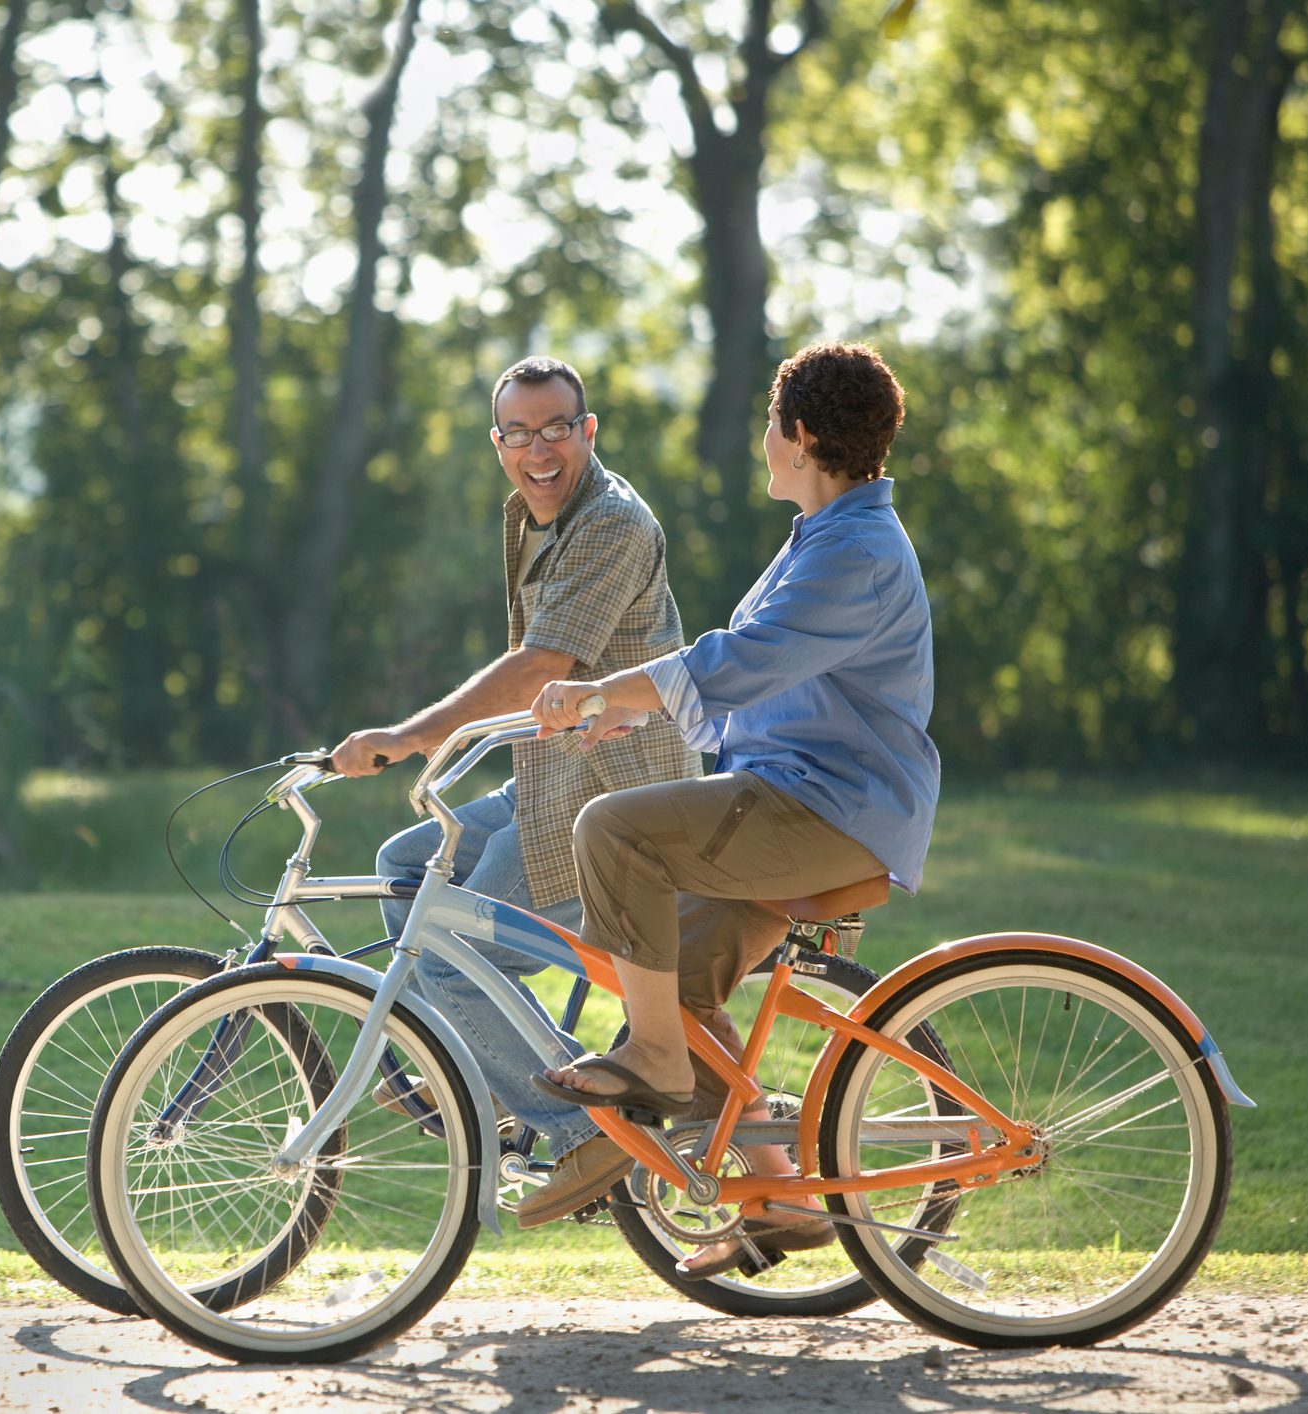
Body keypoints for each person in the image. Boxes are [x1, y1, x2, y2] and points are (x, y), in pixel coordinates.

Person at [525, 341, 939, 1275]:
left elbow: (736, 663)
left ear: (796, 436)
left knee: (612, 827)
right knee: (679, 992)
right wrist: (625, 719)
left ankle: (654, 1070)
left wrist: (600, 693)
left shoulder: (855, 552)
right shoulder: (827, 535)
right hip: (793, 799)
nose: (761, 442)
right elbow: (760, 688)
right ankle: (783, 1199)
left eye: (766, 425)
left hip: (828, 812)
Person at [328, 355, 700, 1228]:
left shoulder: (608, 521)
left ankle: (583, 1132)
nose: (538, 449)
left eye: (556, 428)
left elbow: (543, 665)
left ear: (589, 431)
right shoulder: (535, 515)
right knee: (406, 866)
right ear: (497, 442)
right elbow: (540, 684)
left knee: (460, 962)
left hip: (611, 806)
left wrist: (411, 737)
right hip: (553, 785)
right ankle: (488, 1073)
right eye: (519, 433)